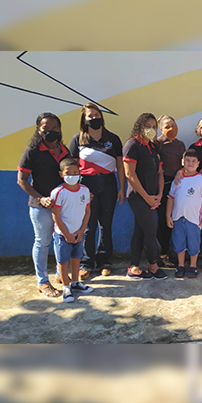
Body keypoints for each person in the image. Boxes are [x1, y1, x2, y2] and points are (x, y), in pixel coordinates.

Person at [69, 103, 125, 279]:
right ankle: (86, 263)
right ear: (84, 120)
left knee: (105, 225)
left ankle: (104, 261)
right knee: (88, 226)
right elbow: (72, 168)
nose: (94, 118)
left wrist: (122, 188)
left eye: (96, 114)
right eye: (90, 116)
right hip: (87, 185)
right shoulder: (77, 139)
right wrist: (78, 190)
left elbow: (120, 166)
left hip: (108, 184)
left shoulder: (113, 139)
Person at [17, 112, 70, 298]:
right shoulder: (32, 151)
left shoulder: (64, 150)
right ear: (38, 130)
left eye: (55, 128)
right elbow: (21, 180)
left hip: (61, 205)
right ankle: (42, 282)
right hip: (41, 206)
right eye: (46, 128)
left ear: (60, 129)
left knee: (60, 240)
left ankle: (60, 274)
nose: (51, 131)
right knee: (42, 242)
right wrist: (41, 199)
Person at [123, 113, 167, 280]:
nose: (151, 129)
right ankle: (153, 265)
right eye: (147, 126)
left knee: (140, 230)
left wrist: (159, 194)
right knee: (150, 230)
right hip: (138, 197)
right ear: (139, 127)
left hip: (153, 197)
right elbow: (130, 175)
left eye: (154, 127)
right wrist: (147, 198)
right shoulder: (132, 145)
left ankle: (133, 267)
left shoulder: (153, 148)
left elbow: (160, 173)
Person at [50, 158, 93, 303]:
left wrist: (82, 230)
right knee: (63, 261)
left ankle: (75, 282)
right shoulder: (58, 192)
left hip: (78, 233)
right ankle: (66, 287)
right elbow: (56, 215)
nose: (72, 176)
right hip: (63, 235)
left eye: (75, 173)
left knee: (76, 258)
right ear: (61, 174)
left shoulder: (85, 190)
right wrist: (66, 234)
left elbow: (87, 211)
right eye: (68, 173)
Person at [166, 149, 202, 279]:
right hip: (178, 217)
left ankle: (193, 265)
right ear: (182, 162)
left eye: (193, 161)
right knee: (179, 242)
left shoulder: (201, 180)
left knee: (194, 243)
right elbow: (171, 198)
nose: (190, 163)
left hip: (194, 219)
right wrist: (168, 215)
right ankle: (181, 265)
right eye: (187, 161)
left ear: (198, 163)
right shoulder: (178, 179)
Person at [155, 115, 186, 267]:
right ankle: (162, 254)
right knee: (163, 220)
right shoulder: (157, 144)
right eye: (167, 126)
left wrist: (181, 171)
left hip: (178, 184)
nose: (171, 128)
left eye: (173, 124)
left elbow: (184, 163)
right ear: (161, 129)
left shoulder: (180, 144)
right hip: (163, 185)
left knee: (177, 219)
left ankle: (178, 252)